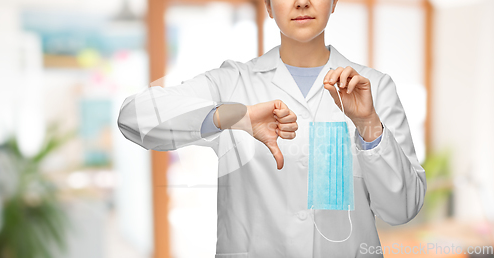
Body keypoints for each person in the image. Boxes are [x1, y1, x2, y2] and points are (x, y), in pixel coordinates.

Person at [117, 0, 427, 256]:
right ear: (267, 5)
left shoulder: (375, 88)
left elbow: (403, 209)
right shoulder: (233, 82)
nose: (302, 2)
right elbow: (134, 116)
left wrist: (367, 124)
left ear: (334, 3)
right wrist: (233, 116)